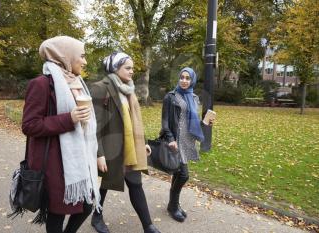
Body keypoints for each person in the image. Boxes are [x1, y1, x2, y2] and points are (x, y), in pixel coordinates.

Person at [22, 36, 101, 233]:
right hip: (54, 163)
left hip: (79, 160)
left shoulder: (78, 83)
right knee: (57, 214)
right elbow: (30, 125)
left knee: (87, 206)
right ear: (66, 56)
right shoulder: (41, 84)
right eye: (81, 56)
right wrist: (69, 119)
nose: (85, 61)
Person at [89, 52, 160, 233]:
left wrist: (141, 142)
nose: (132, 71)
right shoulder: (100, 88)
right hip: (110, 148)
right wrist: (99, 154)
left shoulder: (129, 88)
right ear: (115, 68)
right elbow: (94, 125)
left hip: (129, 148)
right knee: (105, 184)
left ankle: (148, 226)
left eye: (132, 68)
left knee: (135, 184)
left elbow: (133, 119)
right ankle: (97, 217)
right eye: (127, 68)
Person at [160, 67, 213, 222]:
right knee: (184, 175)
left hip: (187, 140)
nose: (184, 80)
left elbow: (193, 122)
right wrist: (170, 139)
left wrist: (206, 123)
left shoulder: (194, 98)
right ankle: (172, 205)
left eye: (187, 78)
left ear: (192, 80)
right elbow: (164, 122)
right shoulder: (170, 97)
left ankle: (173, 205)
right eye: (182, 77)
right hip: (176, 140)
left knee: (178, 174)